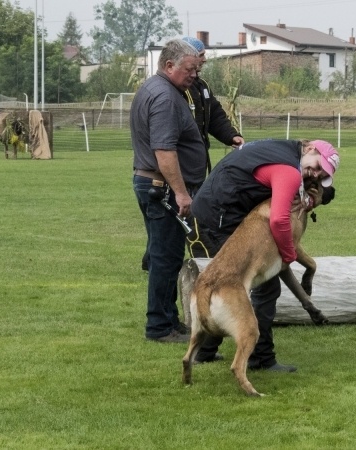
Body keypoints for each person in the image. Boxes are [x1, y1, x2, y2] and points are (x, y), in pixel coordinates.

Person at [190, 138, 339, 371]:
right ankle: (261, 359)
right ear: (311, 149)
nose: (315, 174)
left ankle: (205, 351)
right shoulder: (289, 169)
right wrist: (288, 255)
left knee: (226, 282)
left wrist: (310, 199)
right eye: (317, 166)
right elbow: (279, 220)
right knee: (264, 288)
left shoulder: (286, 150)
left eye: (321, 175)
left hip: (216, 207)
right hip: (220, 215)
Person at [141, 36, 244, 269]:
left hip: (195, 166)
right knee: (191, 221)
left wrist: (230, 135)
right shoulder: (174, 91)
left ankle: (154, 260)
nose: (203, 62)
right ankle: (204, 260)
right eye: (199, 58)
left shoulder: (201, 86)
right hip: (180, 169)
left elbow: (215, 114)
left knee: (168, 230)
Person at [130, 39, 206, 343]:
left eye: (197, 69)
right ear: (169, 65)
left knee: (168, 256)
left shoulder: (156, 88)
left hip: (153, 184)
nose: (194, 75)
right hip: (162, 187)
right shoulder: (164, 98)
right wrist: (181, 192)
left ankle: (169, 321)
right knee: (165, 257)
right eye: (190, 69)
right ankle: (159, 327)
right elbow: (164, 150)